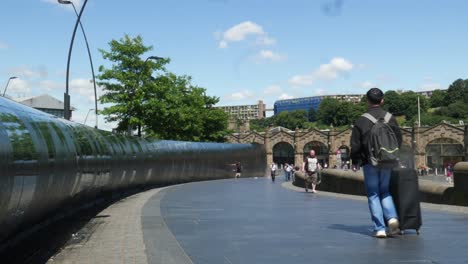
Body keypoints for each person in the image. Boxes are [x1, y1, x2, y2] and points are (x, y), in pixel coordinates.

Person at [350, 88, 402, 238]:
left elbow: (355, 145)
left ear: (367, 101)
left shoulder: (361, 120)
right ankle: (392, 218)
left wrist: (355, 160)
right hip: (388, 160)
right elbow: (398, 139)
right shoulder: (390, 118)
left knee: (373, 194)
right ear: (382, 100)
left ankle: (379, 228)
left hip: (370, 162)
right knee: (385, 191)